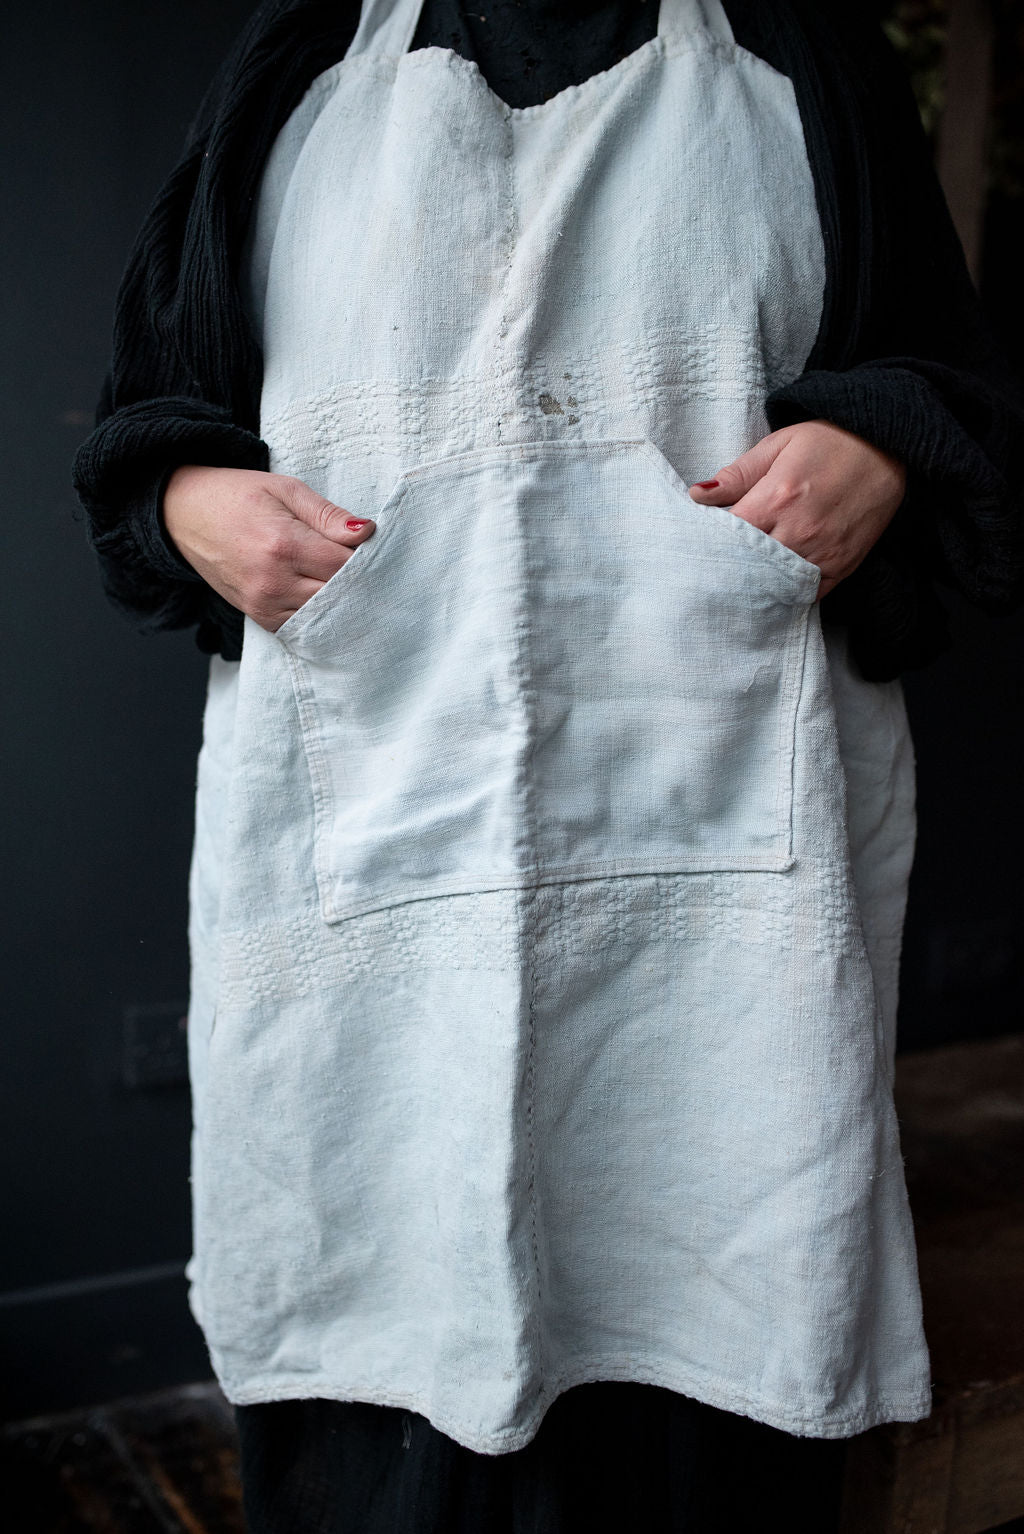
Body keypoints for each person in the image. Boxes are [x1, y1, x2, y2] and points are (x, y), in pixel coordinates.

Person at [72, 1, 1024, 1529]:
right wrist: (190, 496)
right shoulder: (299, 65)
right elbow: (145, 413)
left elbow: (956, 380)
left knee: (703, 1382)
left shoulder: (800, 58)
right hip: (367, 890)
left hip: (717, 936)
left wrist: (885, 444)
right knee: (383, 1384)